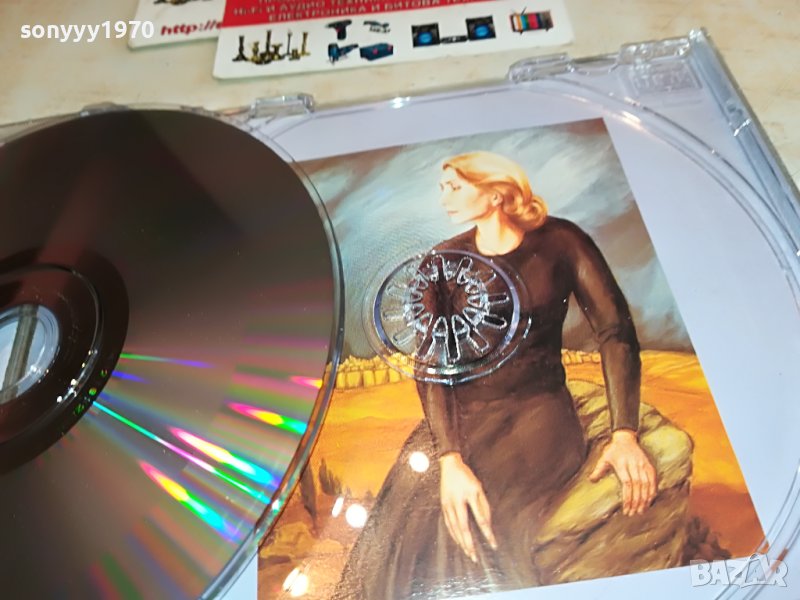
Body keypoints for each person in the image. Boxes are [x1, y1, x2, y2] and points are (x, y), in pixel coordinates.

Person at [333, 151, 657, 599]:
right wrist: (450, 458)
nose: (444, 197)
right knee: (405, 522)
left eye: (454, 186)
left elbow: (615, 330)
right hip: (460, 423)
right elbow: (430, 367)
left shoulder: (562, 242)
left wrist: (624, 434)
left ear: (496, 193)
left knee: (475, 524)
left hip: (538, 418)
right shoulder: (441, 261)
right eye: (442, 187)